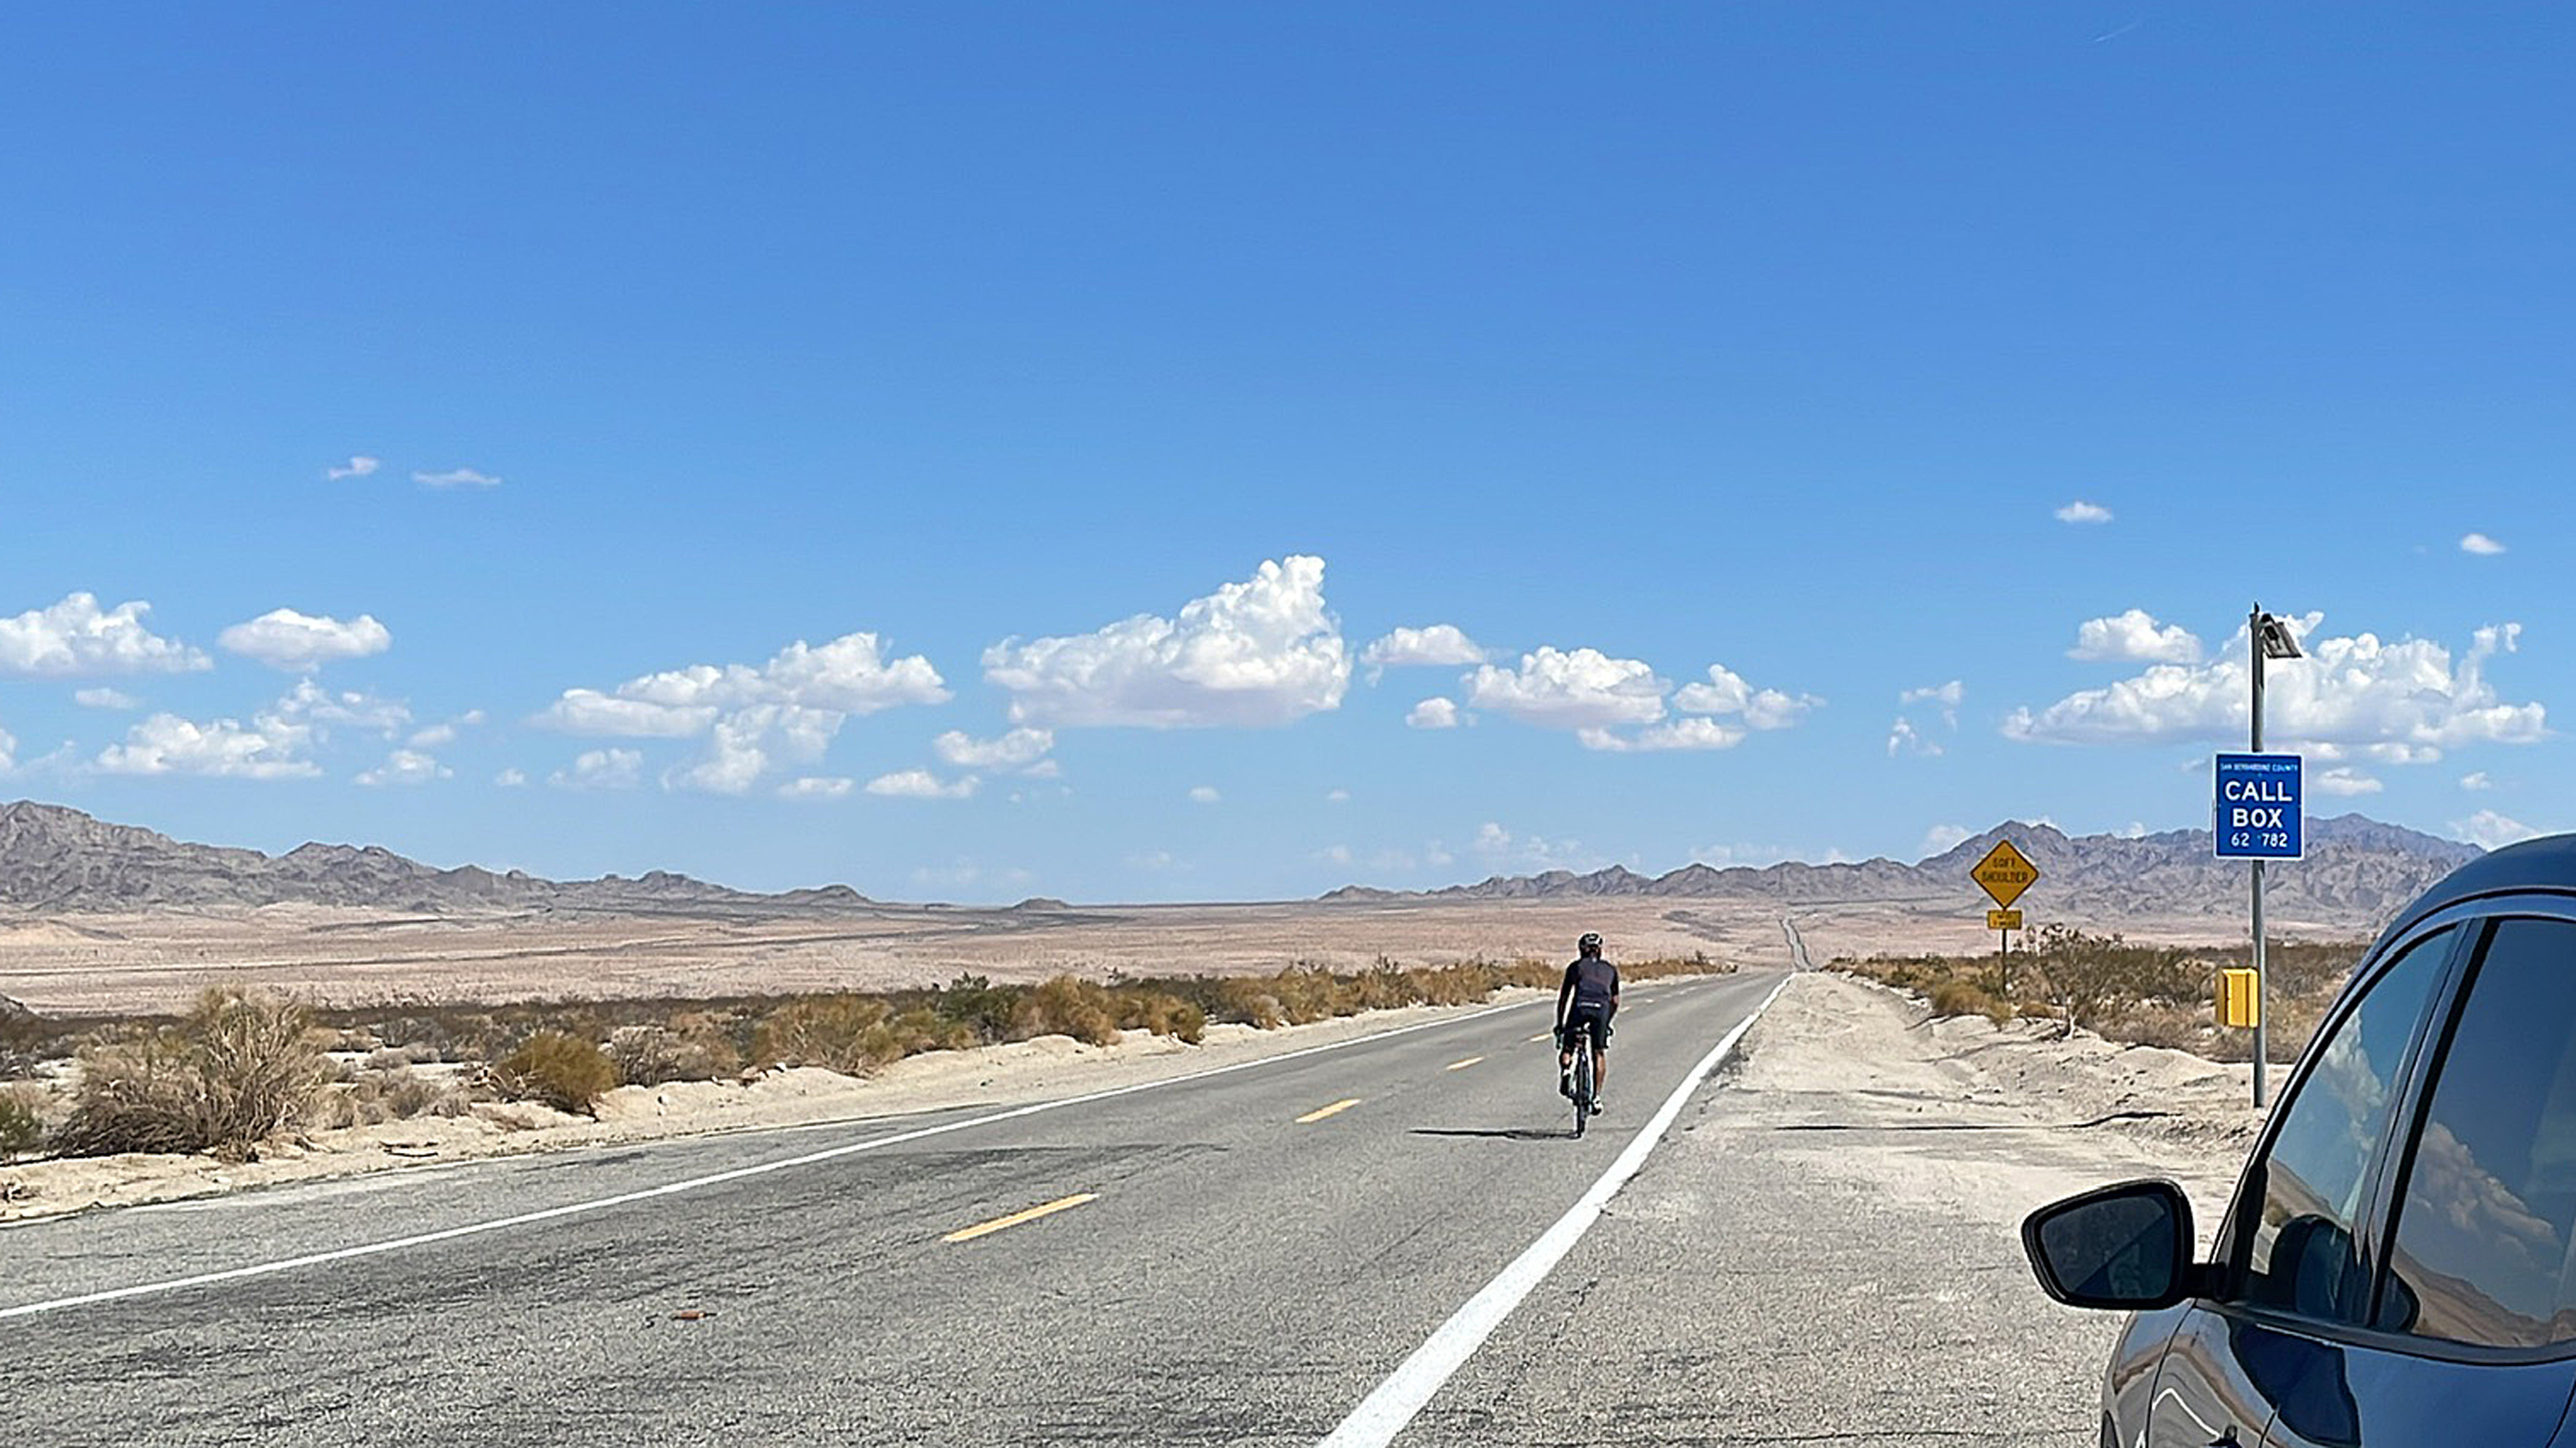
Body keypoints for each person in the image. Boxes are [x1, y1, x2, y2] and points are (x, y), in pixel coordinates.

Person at [1557, 931, 1619, 1111]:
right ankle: (1596, 1098)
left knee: (1568, 1046)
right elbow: (1615, 1001)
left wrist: (1561, 1024)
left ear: (1581, 950)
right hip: (1601, 1010)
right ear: (1599, 950)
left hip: (1580, 1007)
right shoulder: (1610, 969)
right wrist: (1607, 1022)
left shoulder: (1575, 967)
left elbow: (1564, 998)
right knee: (1598, 1053)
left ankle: (1566, 1070)